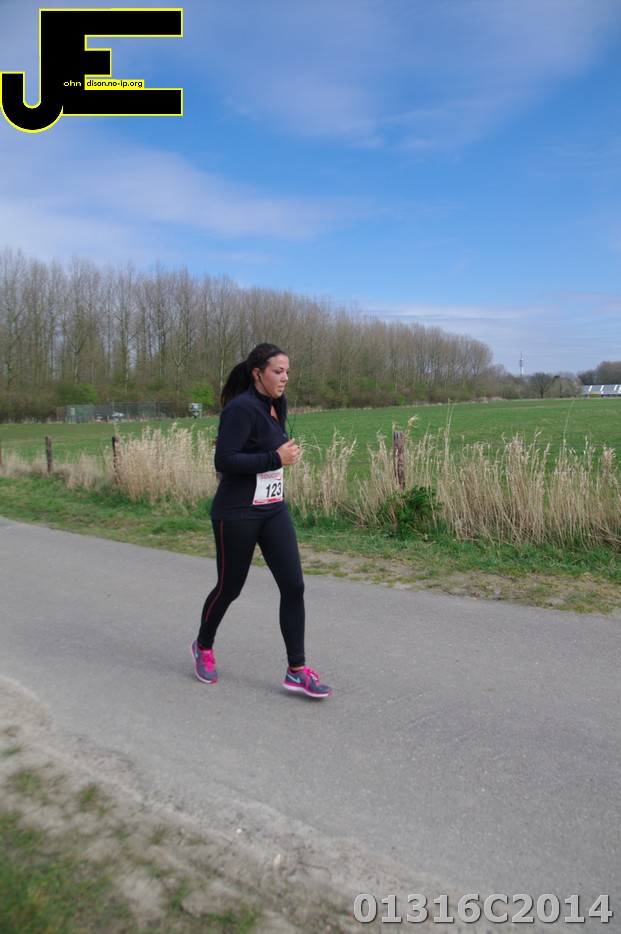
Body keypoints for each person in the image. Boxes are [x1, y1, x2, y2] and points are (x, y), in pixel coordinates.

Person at [191, 343, 332, 699]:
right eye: (277, 372)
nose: (285, 378)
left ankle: (296, 670)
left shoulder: (277, 404)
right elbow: (225, 461)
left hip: (272, 509)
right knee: (229, 588)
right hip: (236, 512)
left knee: (294, 586)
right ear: (258, 373)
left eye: (287, 372)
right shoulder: (240, 410)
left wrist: (278, 458)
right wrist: (275, 458)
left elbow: (267, 454)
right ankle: (203, 646)